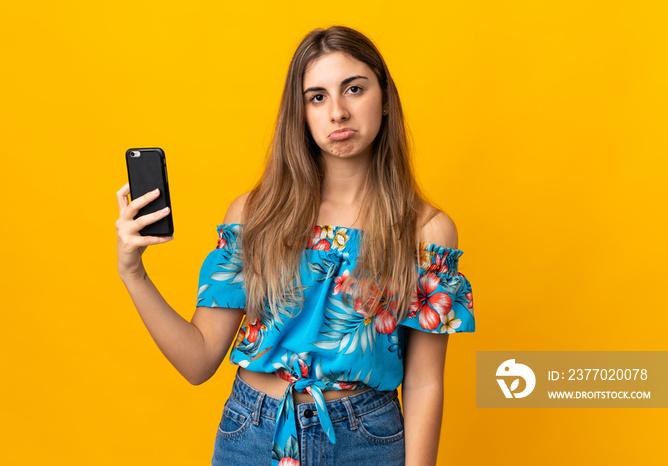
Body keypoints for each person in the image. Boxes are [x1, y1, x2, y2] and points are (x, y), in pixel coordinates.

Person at [116, 25, 475, 466]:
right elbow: (198, 361)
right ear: (301, 114)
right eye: (317, 97)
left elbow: (424, 384)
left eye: (354, 89)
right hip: (252, 433)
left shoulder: (425, 231)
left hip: (367, 439)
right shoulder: (254, 215)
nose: (338, 112)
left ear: (384, 101)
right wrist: (134, 273)